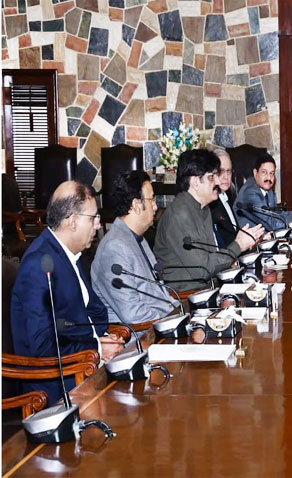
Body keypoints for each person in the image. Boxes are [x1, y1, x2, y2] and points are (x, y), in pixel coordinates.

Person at [10, 181, 124, 403]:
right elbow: (43, 346)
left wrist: (103, 340)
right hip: (58, 385)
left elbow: (89, 316)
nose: (98, 225)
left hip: (86, 365)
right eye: (93, 218)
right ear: (72, 221)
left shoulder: (68, 254)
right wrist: (97, 347)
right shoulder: (39, 265)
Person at [154, 149, 264, 291]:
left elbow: (211, 259)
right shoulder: (180, 215)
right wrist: (238, 245)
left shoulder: (203, 208)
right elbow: (202, 270)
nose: (218, 181)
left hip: (209, 288)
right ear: (195, 182)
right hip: (186, 296)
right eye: (212, 177)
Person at [91, 170, 180, 325]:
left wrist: (182, 312)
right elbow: (133, 314)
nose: (155, 206)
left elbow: (158, 294)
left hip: (160, 323)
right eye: (152, 199)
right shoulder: (114, 248)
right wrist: (173, 317)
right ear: (136, 205)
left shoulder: (139, 238)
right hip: (140, 335)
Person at [234, 152, 292, 231]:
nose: (269, 178)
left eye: (272, 173)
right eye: (264, 172)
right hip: (253, 239)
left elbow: (278, 214)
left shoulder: (267, 189)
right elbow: (271, 225)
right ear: (255, 173)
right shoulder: (250, 192)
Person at [210, 148, 239, 247]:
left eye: (229, 171)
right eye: (221, 171)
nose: (226, 177)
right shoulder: (210, 204)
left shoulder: (229, 196)